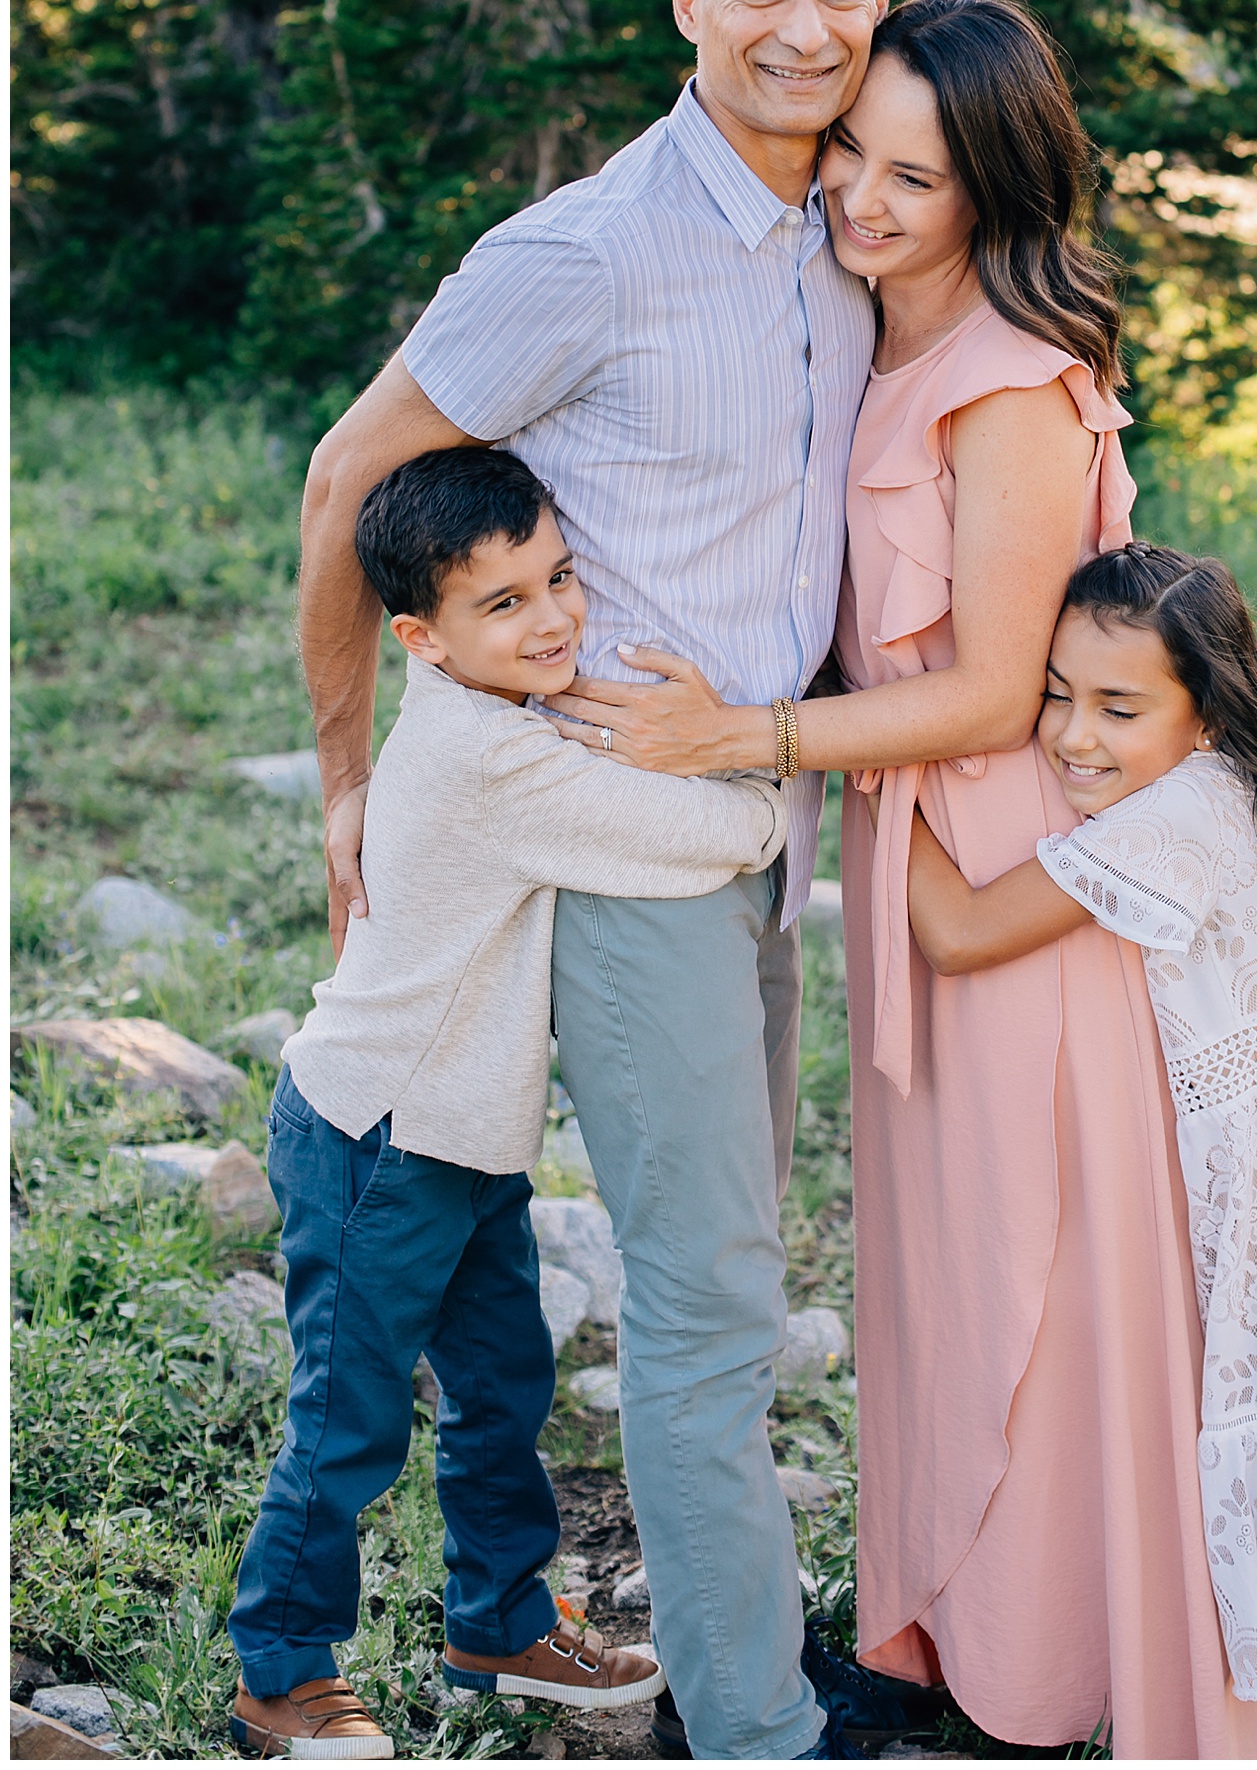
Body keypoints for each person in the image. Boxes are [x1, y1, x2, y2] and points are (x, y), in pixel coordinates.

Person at [552, 0, 1257, 1758]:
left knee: (1044, 1281)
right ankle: (945, 1629)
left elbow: (980, 684)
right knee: (942, 1271)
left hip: (1021, 862)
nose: (864, 201)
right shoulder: (861, 340)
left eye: (917, 179)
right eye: (854, 158)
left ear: (993, 193)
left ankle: (1063, 1669)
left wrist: (739, 738)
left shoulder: (1012, 388)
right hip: (907, 850)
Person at [294, 0, 891, 1761]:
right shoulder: (586, 250)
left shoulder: (857, 228)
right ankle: (752, 1723)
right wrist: (340, 781)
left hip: (765, 822)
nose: (805, 27)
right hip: (631, 844)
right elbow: (342, 486)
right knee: (715, 1298)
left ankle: (742, 1647)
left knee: (745, 1270)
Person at [229, 446, 785, 1761]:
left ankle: (499, 1618)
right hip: (374, 1139)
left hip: (459, 1143)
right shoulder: (486, 757)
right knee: (345, 1416)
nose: (552, 620)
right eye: (505, 603)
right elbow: (696, 834)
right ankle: (281, 1669)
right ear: (420, 635)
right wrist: (764, 789)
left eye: (559, 577)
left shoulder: (498, 710)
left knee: (502, 1382)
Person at [905, 543, 1257, 1763]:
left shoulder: (1182, 815)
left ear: (1206, 707)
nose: (1071, 735)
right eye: (1054, 690)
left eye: (1120, 705)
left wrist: (882, 774)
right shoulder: (1237, 785)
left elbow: (956, 931)